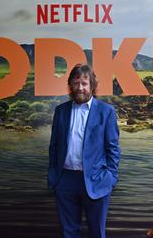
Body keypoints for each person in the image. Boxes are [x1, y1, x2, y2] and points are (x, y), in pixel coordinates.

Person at [48, 63, 121, 238]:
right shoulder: (61, 111)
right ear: (70, 85)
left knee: (97, 232)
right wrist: (54, 177)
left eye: (84, 83)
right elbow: (54, 146)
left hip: (96, 180)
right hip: (65, 180)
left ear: (92, 86)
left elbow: (113, 149)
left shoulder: (106, 111)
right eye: (76, 83)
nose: (80, 87)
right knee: (69, 233)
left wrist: (110, 178)